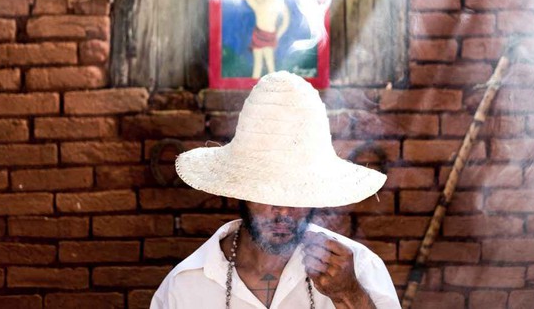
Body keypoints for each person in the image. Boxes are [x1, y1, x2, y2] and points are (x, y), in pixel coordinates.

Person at [151, 71, 400, 309]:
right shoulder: (184, 286)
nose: (283, 211)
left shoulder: (361, 269)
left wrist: (350, 295)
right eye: (267, 191)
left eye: (296, 192)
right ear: (241, 189)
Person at [245, 0, 290, 79]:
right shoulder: (255, 4)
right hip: (257, 35)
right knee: (257, 64)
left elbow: (286, 19)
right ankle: (253, 85)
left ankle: (273, 84)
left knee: (270, 64)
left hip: (269, 37)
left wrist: (278, 34)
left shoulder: (275, 1)